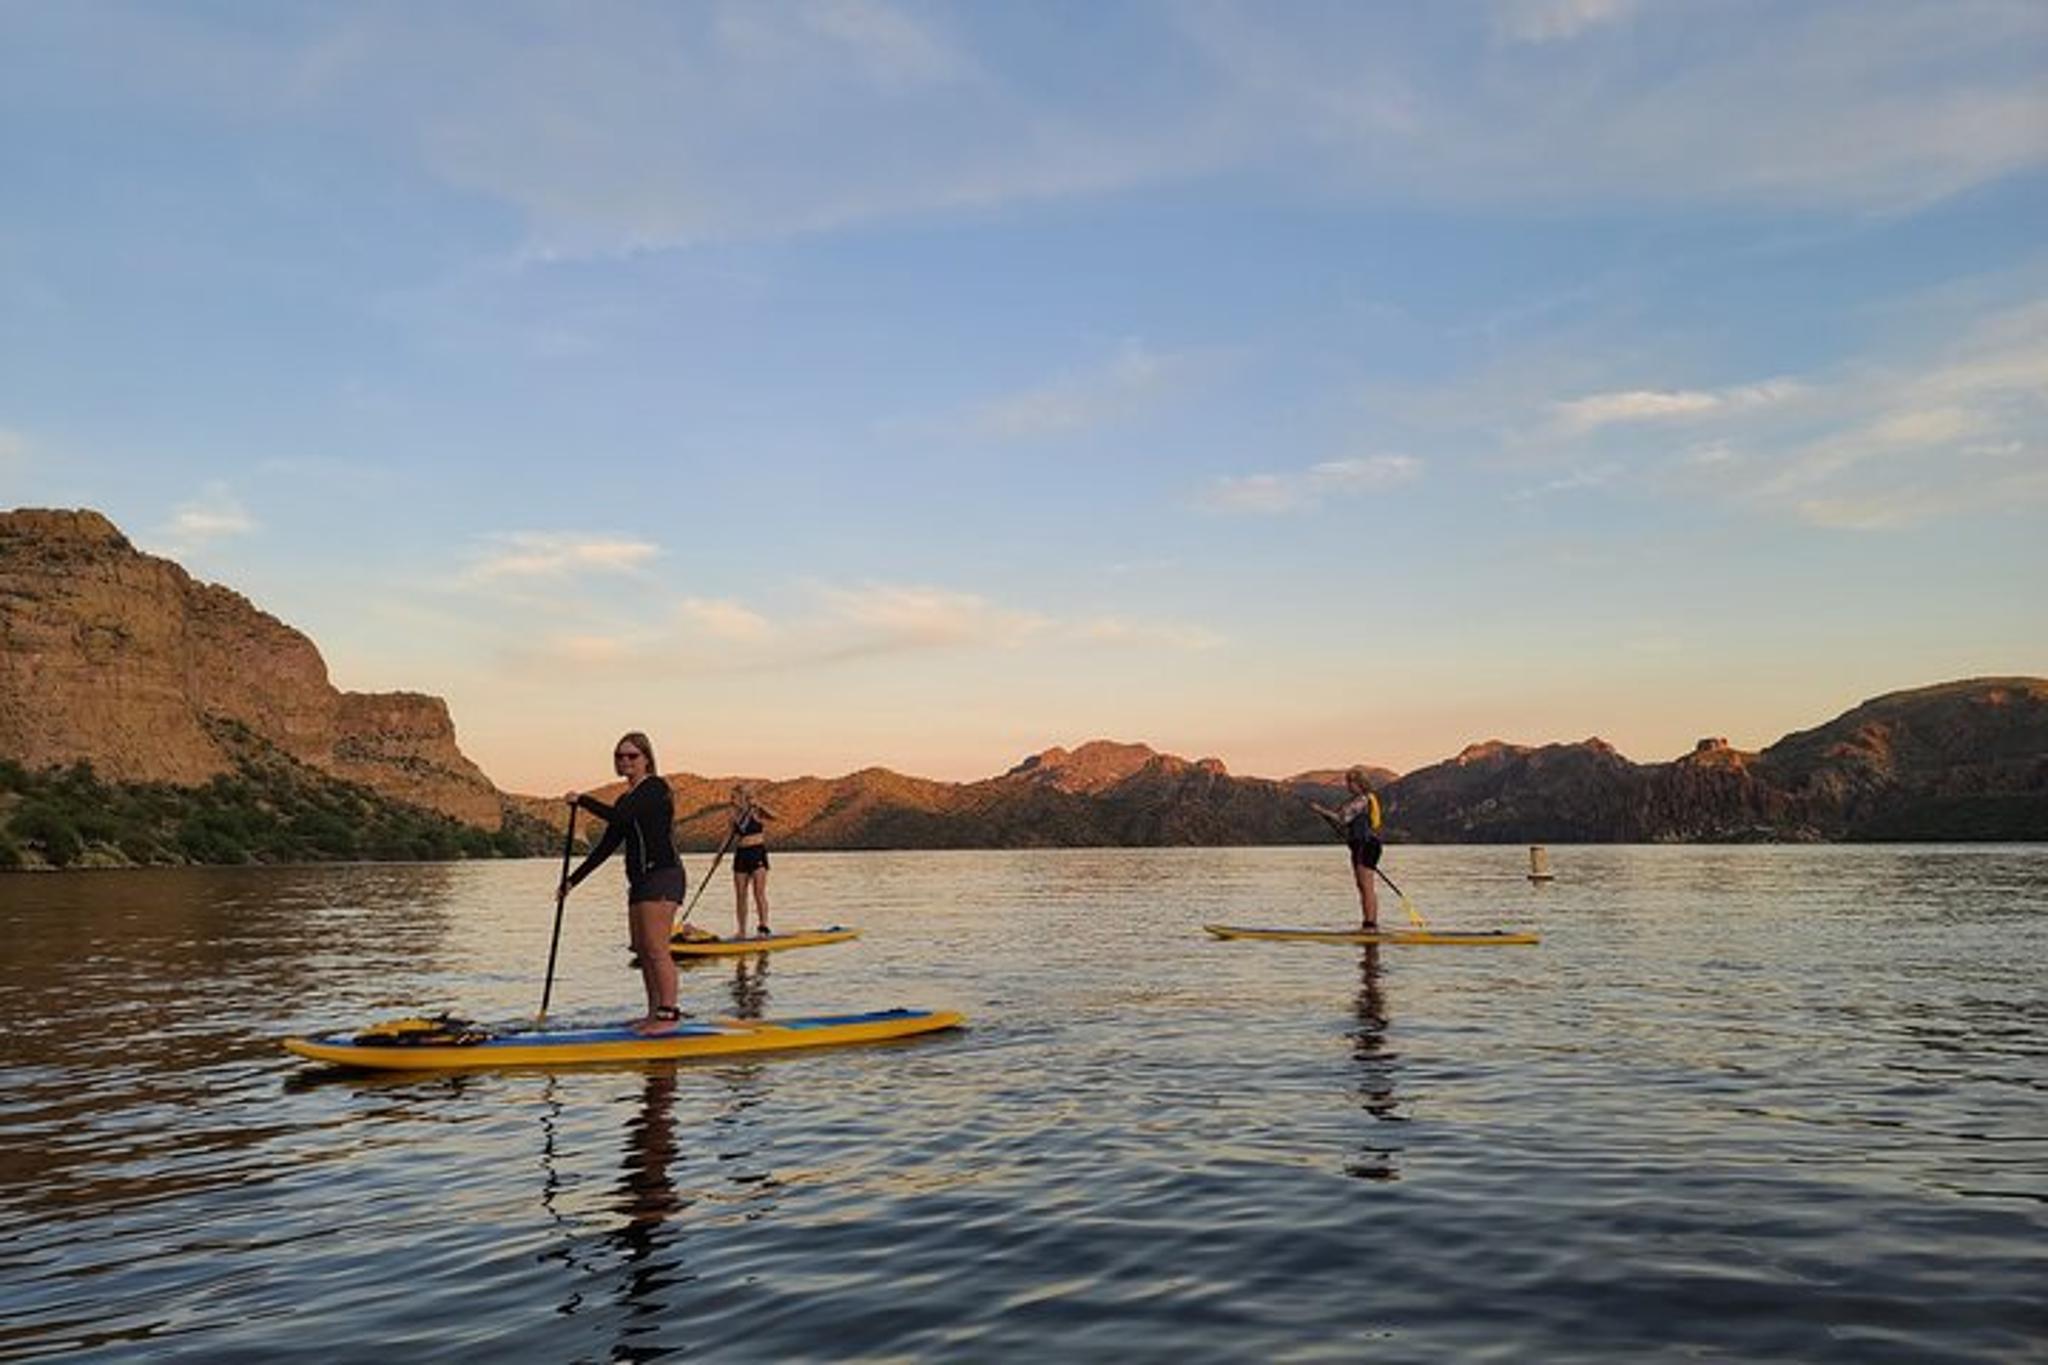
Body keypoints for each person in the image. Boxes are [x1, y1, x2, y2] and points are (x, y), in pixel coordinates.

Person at [561, 732, 686, 1034]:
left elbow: (620, 816)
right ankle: (653, 1012)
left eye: (632, 756)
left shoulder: (655, 787)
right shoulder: (625, 799)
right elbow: (606, 846)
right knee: (642, 949)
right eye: (619, 756)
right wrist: (572, 881)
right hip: (640, 881)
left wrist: (583, 800)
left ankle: (669, 1015)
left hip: (663, 874)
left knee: (656, 948)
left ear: (647, 759)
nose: (625, 761)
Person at [1312, 766, 1383, 931]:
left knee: (1366, 886)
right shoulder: (1364, 799)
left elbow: (1342, 818)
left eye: (1350, 782)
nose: (1348, 786)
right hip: (1364, 845)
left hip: (1365, 845)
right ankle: (1369, 923)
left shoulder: (1362, 800)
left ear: (1359, 783)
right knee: (1363, 886)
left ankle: (1370, 925)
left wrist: (1320, 810)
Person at [729, 783, 779, 938]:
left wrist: (760, 805)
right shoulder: (733, 814)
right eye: (731, 797)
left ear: (742, 797)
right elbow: (729, 836)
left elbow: (775, 816)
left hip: (757, 852)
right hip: (741, 854)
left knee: (758, 892)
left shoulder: (755, 810)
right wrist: (717, 855)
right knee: (740, 895)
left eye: (734, 796)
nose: (731, 800)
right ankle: (741, 930)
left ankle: (763, 927)